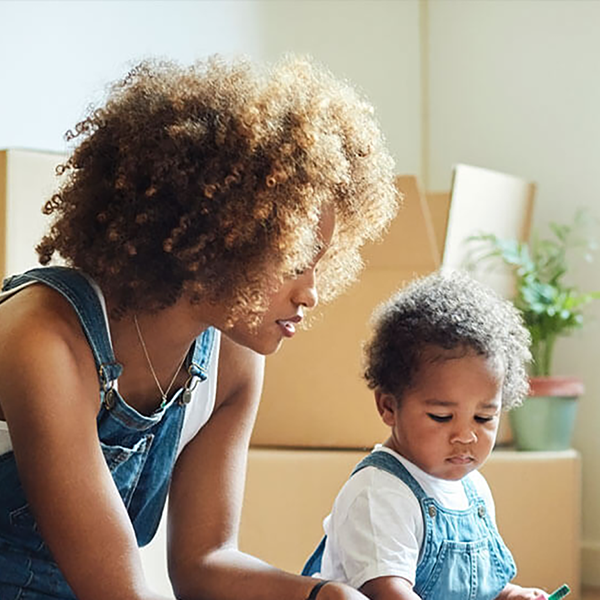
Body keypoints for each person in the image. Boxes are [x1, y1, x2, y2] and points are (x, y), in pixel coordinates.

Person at [0, 55, 398, 600]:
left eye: (319, 263)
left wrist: (322, 595)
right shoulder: (44, 337)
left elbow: (204, 563)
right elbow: (115, 590)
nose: (310, 292)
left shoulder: (230, 362)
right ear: (216, 233)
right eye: (295, 258)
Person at [303, 271, 549, 600]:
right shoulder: (379, 493)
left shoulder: (472, 490)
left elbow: (473, 587)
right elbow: (389, 592)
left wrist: (509, 595)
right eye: (442, 417)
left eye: (483, 417)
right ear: (389, 406)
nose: (466, 436)